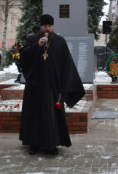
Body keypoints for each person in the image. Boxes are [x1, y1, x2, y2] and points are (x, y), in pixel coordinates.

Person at [19, 14, 85, 155]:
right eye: (45, 26)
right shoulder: (32, 39)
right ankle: (34, 144)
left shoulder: (60, 41)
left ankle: (52, 144)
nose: (47, 29)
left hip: (53, 86)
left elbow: (67, 63)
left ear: (53, 26)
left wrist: (66, 85)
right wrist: (37, 46)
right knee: (35, 115)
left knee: (52, 115)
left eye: (49, 26)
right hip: (35, 86)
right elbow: (23, 57)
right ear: (41, 26)